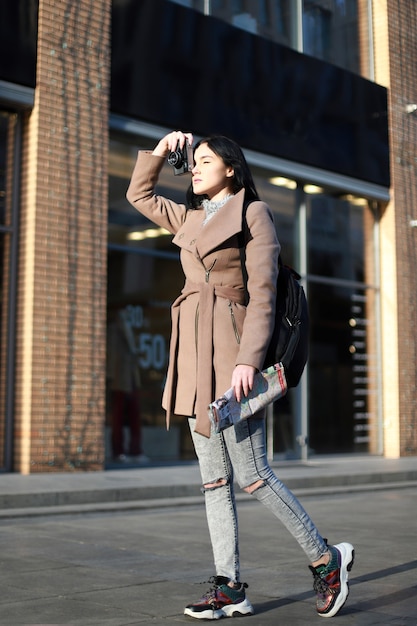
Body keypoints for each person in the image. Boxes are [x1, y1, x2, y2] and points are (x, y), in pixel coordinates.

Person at [126, 130, 354, 620]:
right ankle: (229, 587)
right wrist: (164, 150)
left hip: (233, 357)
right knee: (214, 481)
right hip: (192, 356)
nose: (198, 166)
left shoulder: (253, 212)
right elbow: (138, 194)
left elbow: (265, 292)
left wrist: (249, 359)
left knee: (251, 473)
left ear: (231, 167)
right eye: (196, 160)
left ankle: (325, 559)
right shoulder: (187, 216)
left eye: (207, 160)